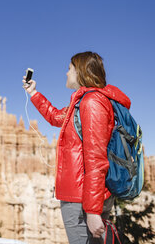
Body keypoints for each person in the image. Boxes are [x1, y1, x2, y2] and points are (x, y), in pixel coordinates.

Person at [22, 51, 131, 244]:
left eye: (69, 68)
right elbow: (56, 117)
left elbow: (96, 159)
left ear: (80, 71)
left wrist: (92, 210)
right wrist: (33, 93)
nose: (66, 73)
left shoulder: (91, 103)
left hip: (82, 198)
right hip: (86, 195)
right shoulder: (82, 103)